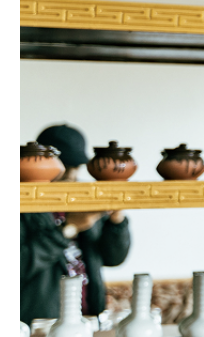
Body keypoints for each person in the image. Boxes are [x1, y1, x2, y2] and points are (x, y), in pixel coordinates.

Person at [20, 124, 131, 323]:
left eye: (76, 166)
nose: (71, 174)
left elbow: (114, 258)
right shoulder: (24, 203)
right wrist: (68, 229)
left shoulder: (84, 198)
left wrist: (116, 220)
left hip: (89, 317)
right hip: (41, 322)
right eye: (65, 166)